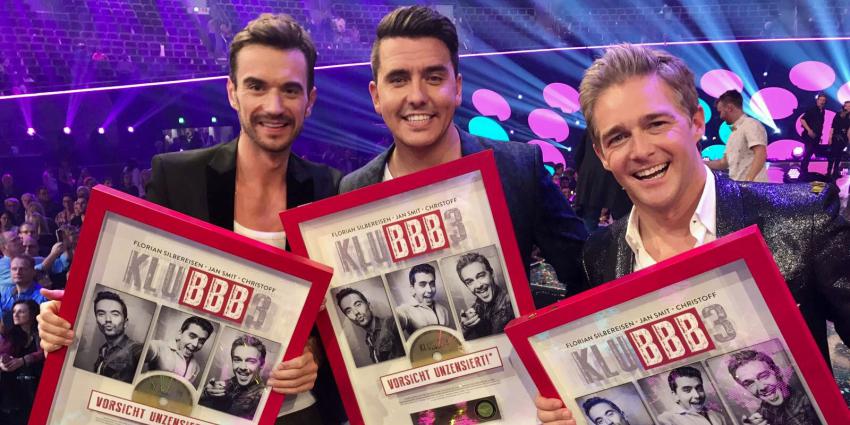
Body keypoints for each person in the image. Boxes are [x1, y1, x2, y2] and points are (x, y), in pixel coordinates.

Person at [38, 14, 345, 423]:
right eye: (256, 86)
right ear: (232, 92)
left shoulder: (331, 187)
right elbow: (133, 285)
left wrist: (314, 354)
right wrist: (61, 322)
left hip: (298, 412)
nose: (274, 106)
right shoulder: (177, 176)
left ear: (310, 99)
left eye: (290, 90)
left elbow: (334, 313)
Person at [536, 43, 850, 424]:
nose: (640, 150)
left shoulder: (803, 218)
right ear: (602, 155)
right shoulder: (599, 255)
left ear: (696, 122)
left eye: (656, 124)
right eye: (617, 137)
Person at [339, 6, 588, 304]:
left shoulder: (518, 169)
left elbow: (587, 271)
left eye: (433, 78)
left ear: (457, 88)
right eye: (399, 80)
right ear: (376, 96)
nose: (416, 96)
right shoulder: (354, 189)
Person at [727, 350, 819, 425]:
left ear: (777, 372)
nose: (761, 387)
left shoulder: (810, 398)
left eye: (764, 376)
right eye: (749, 383)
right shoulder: (760, 417)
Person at [200, 335, 267, 419]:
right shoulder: (231, 382)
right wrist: (206, 393)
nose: (243, 367)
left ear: (262, 364)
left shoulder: (264, 398)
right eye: (237, 360)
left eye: (251, 361)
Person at [706, 90, 767, 182]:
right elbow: (723, 163)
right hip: (740, 187)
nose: (720, 116)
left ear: (729, 108)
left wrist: (748, 182)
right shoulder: (733, 134)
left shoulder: (750, 124)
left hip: (753, 187)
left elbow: (761, 153)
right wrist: (700, 163)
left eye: (720, 112)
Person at [0, 299, 43, 425]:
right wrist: (3, 361)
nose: (16, 315)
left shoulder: (40, 333)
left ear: (32, 314)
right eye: (14, 311)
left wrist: (23, 360)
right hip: (11, 385)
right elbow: (2, 353)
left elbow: (43, 353)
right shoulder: (11, 335)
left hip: (34, 382)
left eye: (21, 312)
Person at [334, 287, 404, 364]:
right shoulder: (368, 339)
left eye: (358, 304)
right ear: (348, 318)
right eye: (349, 311)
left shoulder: (389, 325)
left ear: (369, 305)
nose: (356, 312)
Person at [455, 252, 514, 340]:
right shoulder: (475, 309)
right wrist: (465, 328)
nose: (478, 285)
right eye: (470, 282)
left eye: (481, 276)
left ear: (492, 273)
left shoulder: (512, 303)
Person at [88, 290, 144, 383]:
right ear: (97, 321)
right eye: (101, 314)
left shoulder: (135, 349)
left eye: (115, 314)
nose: (108, 319)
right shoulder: (103, 349)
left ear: (125, 323)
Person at [144, 316, 214, 385]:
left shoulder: (196, 368)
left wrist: (205, 391)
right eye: (192, 336)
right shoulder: (159, 347)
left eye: (201, 341)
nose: (195, 344)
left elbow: (184, 390)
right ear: (180, 334)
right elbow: (143, 350)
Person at [395, 263, 451, 336]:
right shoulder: (403, 311)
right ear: (412, 289)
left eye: (432, 284)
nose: (429, 290)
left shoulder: (444, 310)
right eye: (422, 285)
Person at [658, 366, 727, 425]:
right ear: (675, 395)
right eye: (687, 390)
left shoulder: (718, 416)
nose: (697, 395)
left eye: (699, 388)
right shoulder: (665, 420)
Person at [0, 255, 48, 328]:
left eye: (23, 269)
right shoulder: (6, 294)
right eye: (14, 269)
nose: (18, 272)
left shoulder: (43, 296)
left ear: (33, 272)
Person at [800, 93, 828, 176]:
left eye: (823, 100)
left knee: (810, 153)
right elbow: (802, 119)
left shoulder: (822, 111)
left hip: (816, 136)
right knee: (808, 153)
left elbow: (819, 124)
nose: (822, 102)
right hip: (809, 136)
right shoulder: (812, 109)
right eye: (820, 100)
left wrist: (820, 135)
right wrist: (809, 130)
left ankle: (804, 171)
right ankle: (803, 172)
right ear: (817, 101)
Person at [827, 100, 850, 180]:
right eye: (847, 106)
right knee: (833, 155)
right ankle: (828, 172)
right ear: (844, 107)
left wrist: (848, 141)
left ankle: (835, 172)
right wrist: (830, 137)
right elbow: (833, 126)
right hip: (836, 137)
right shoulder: (838, 114)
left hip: (844, 139)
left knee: (839, 156)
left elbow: (849, 130)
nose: (848, 107)